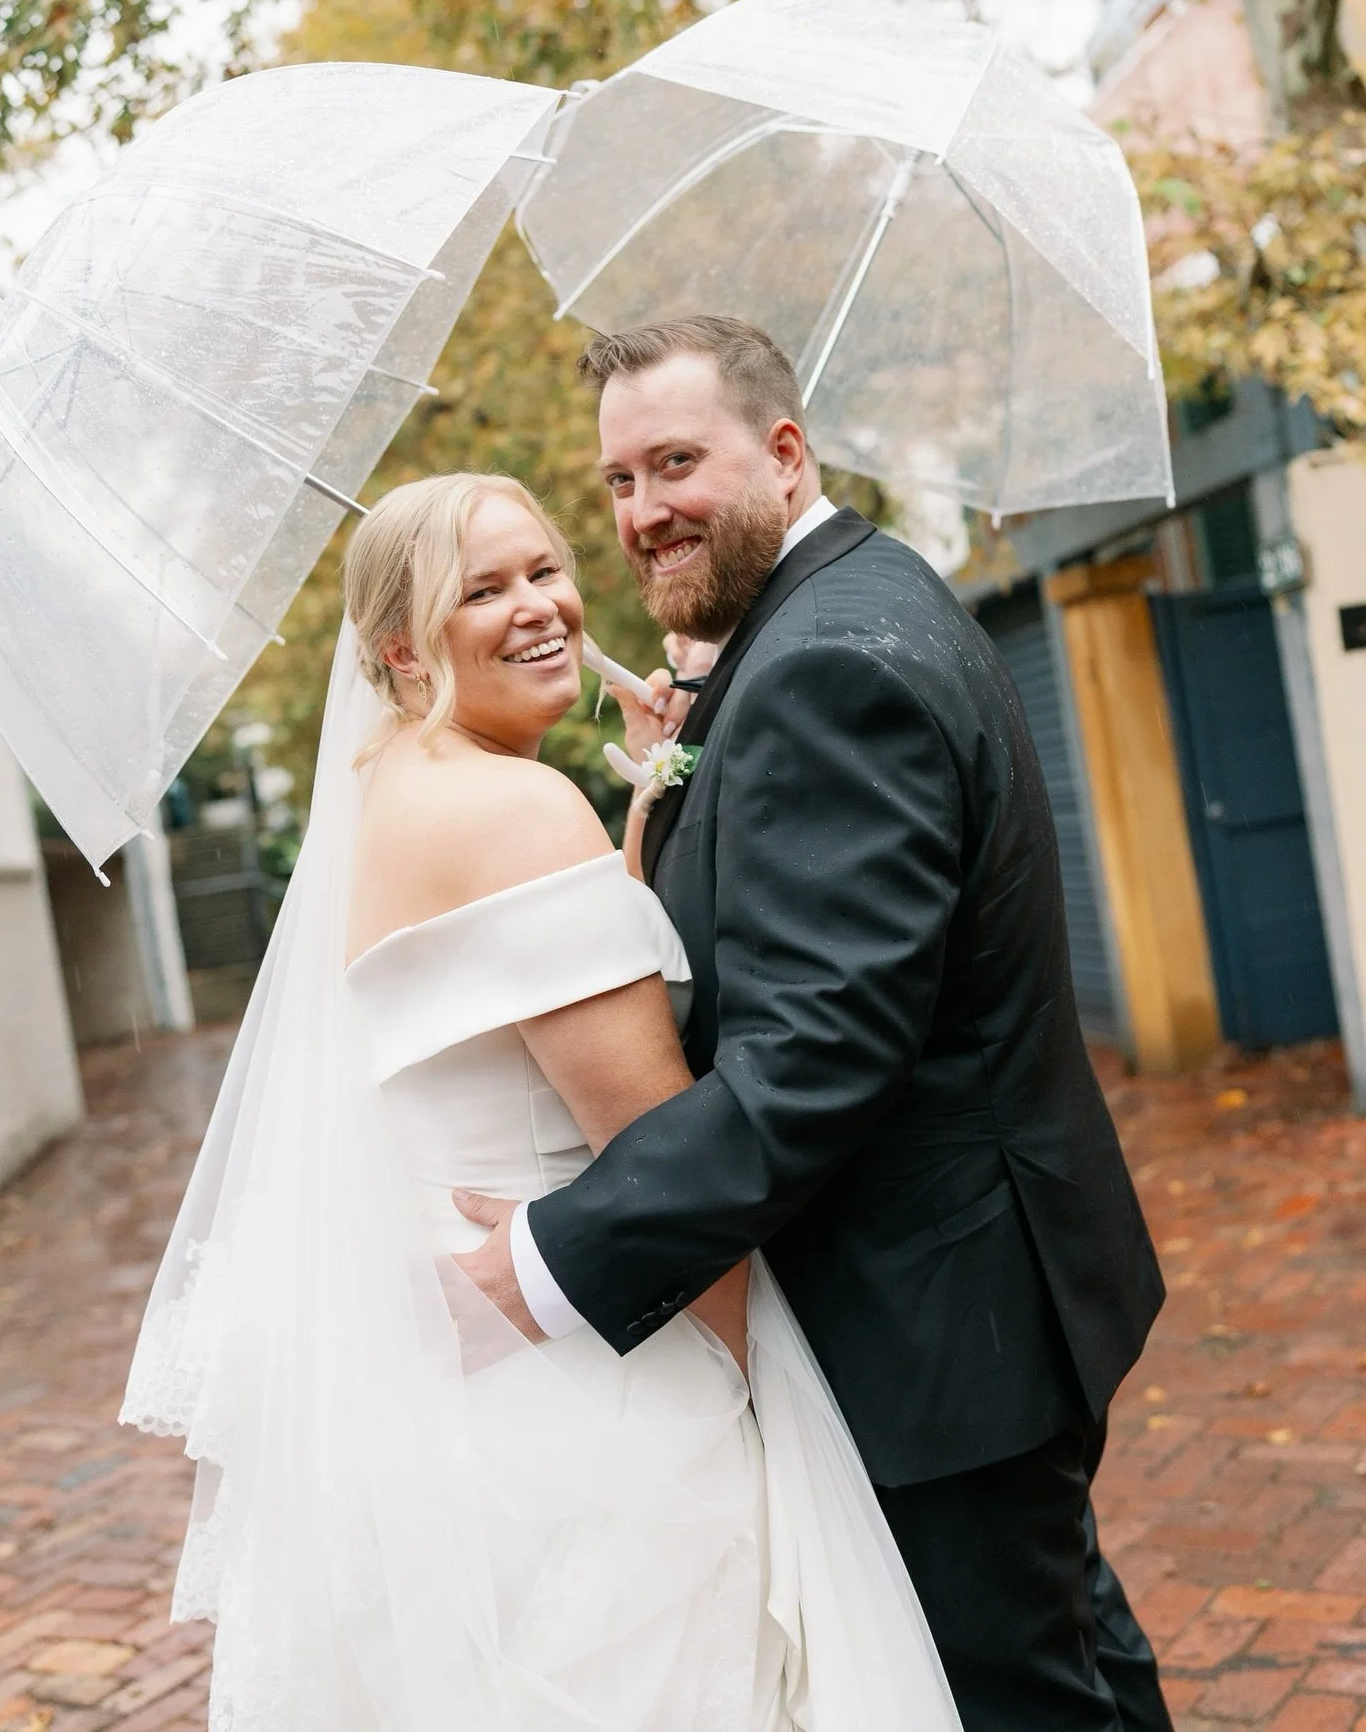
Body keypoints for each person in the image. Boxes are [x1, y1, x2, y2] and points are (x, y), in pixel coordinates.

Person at [121, 470, 962, 1732]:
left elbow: (496, 1010)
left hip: (435, 1389)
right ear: (404, 647)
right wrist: (753, 1391)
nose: (542, 608)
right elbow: (659, 1147)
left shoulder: (380, 790)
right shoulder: (518, 810)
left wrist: (630, 845)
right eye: (486, 590)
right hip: (593, 1373)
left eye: (546, 571)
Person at [453, 316, 1174, 1732]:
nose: (642, 511)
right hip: (979, 1288)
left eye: (675, 463)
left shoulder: (826, 667)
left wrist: (549, 1259)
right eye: (616, 482)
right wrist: (688, 770)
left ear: (784, 454)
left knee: (1017, 1695)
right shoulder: (843, 612)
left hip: (934, 1319)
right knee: (1068, 1661)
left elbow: (817, 1061)